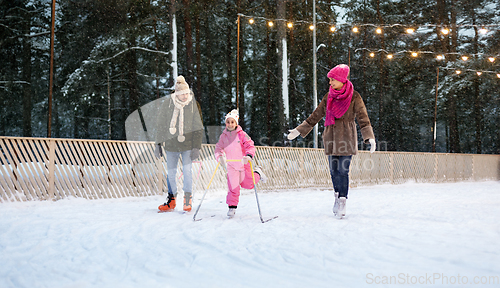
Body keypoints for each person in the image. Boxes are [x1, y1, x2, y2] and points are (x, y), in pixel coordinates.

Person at [287, 64, 376, 218]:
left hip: (347, 138)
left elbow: (363, 118)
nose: (330, 83)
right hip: (331, 137)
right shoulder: (329, 97)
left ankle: (342, 201)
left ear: (341, 79)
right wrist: (299, 130)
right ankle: (336, 196)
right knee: (334, 172)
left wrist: (370, 137)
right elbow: (316, 115)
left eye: (333, 80)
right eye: (330, 80)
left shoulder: (354, 96)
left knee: (343, 171)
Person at [154, 75, 204, 212]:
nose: (185, 96)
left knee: (187, 171)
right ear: (177, 93)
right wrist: (158, 143)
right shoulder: (168, 104)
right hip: (171, 145)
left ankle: (187, 199)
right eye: (182, 94)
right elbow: (161, 125)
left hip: (187, 145)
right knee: (171, 173)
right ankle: (171, 200)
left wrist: (196, 147)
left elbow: (198, 127)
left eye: (187, 93)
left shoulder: (193, 105)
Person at [214, 109, 267, 217]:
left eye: (232, 122)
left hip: (243, 164)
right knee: (233, 186)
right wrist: (220, 157)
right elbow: (218, 148)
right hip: (232, 165)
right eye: (228, 122)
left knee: (248, 184)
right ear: (225, 123)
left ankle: (258, 172)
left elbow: (250, 145)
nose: (230, 124)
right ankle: (232, 207)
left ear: (236, 123)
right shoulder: (223, 136)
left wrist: (248, 156)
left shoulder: (242, 135)